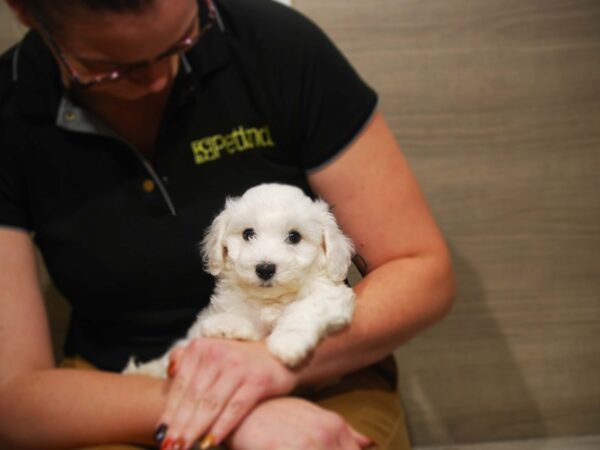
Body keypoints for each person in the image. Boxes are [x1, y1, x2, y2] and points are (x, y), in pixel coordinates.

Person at [0, 0, 456, 448]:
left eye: (183, 39)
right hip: (120, 387)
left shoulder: (278, 47)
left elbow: (422, 270)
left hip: (320, 368)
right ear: (24, 11)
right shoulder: (9, 109)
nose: (159, 79)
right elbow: (12, 395)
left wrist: (272, 364)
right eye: (110, 68)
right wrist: (231, 413)